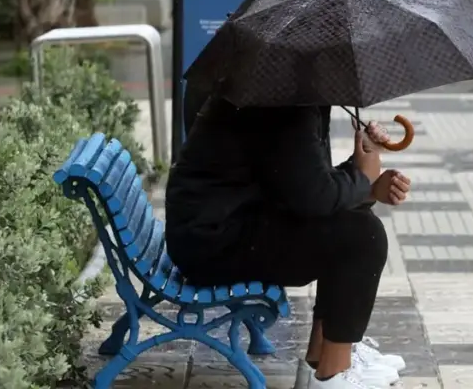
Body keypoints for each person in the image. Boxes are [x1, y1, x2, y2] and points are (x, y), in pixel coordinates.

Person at [165, 97, 412, 389]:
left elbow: (304, 182)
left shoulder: (293, 96)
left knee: (349, 228)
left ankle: (324, 357)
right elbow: (314, 197)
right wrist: (362, 178)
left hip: (221, 229)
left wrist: (366, 185)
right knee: (362, 237)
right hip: (212, 243)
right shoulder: (287, 105)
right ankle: (333, 376)